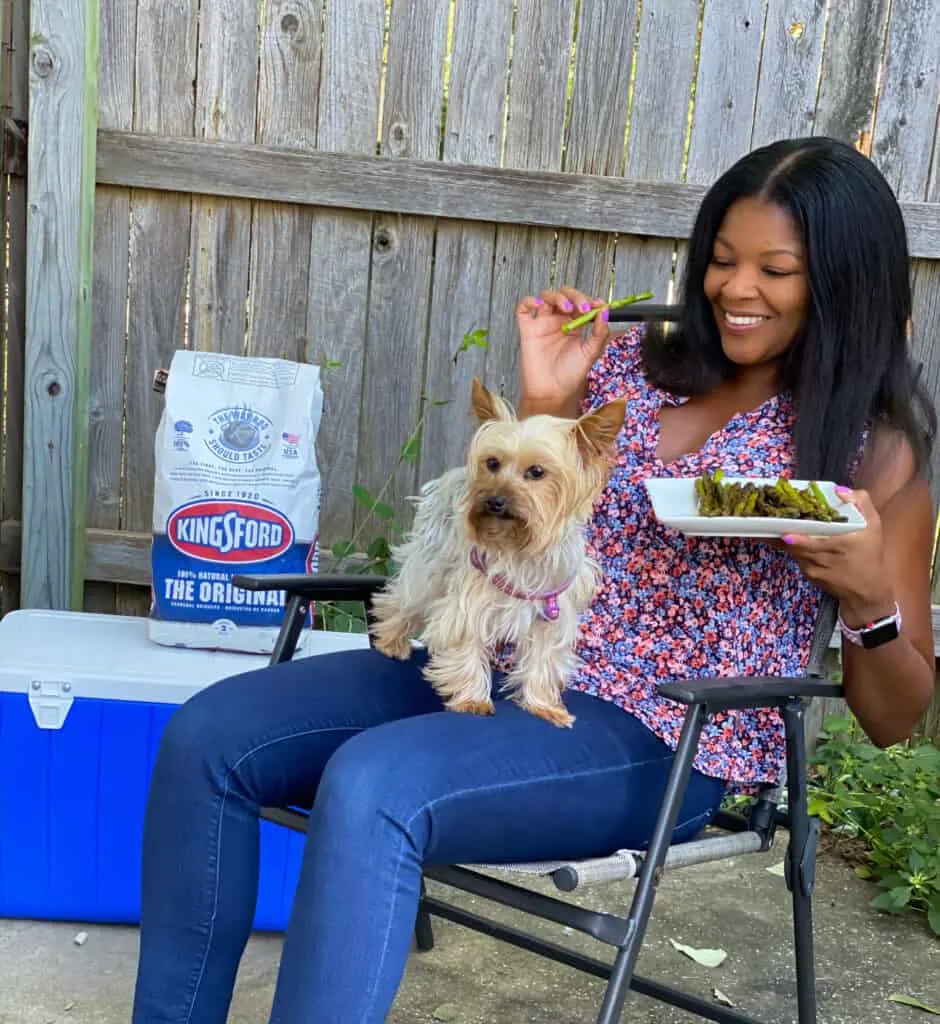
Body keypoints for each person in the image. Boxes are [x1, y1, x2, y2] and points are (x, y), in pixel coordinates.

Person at [131, 136, 937, 1024]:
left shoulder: (876, 448)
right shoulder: (635, 371)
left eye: (775, 270)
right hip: (499, 652)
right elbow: (520, 508)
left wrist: (867, 601)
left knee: (375, 785)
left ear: (845, 281)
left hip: (665, 728)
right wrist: (548, 400)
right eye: (720, 260)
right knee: (209, 734)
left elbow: (894, 719)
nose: (736, 290)